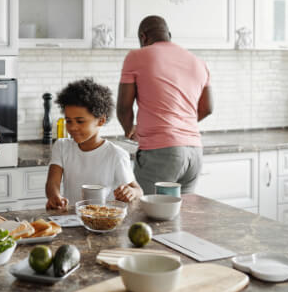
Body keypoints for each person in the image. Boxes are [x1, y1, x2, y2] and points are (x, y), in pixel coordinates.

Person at [117, 15, 214, 195]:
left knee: (144, 212)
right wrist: (178, 124)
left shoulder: (136, 56)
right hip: (194, 153)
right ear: (168, 34)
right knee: (180, 214)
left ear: (143, 37)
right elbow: (208, 108)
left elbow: (123, 107)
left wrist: (129, 130)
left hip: (161, 152)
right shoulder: (198, 62)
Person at [45, 78, 143, 210]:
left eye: (80, 121)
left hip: (103, 220)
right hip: (72, 217)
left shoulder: (116, 154)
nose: (73, 127)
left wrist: (131, 192)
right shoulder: (62, 146)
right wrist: (55, 196)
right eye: (68, 121)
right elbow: (53, 182)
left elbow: (138, 190)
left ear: (101, 121)